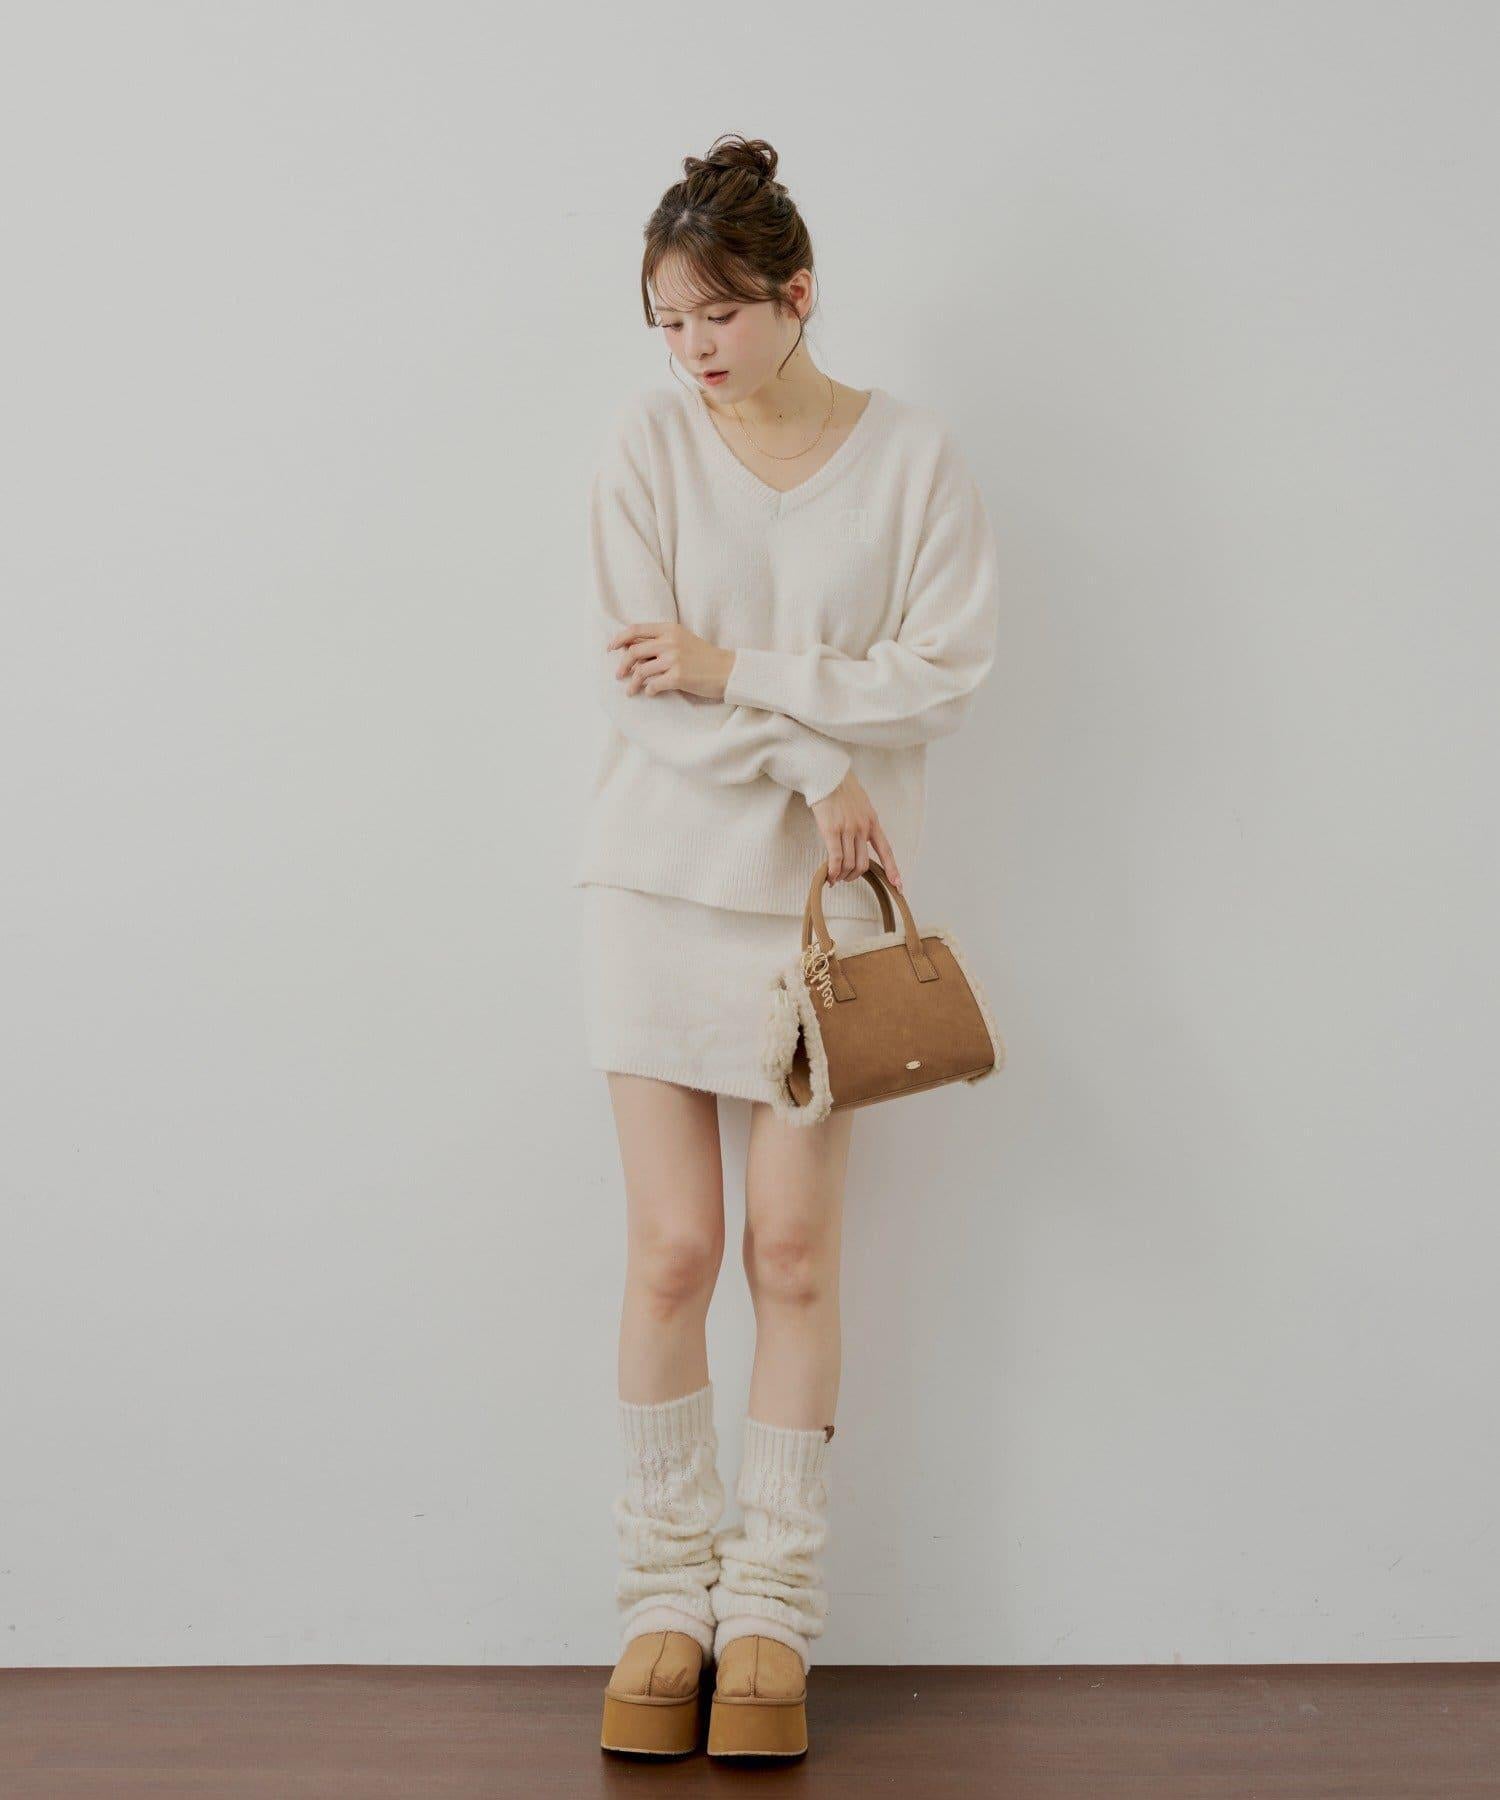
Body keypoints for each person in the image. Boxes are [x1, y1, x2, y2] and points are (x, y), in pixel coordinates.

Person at [574, 133, 1002, 1760]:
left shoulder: (910, 459)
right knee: (673, 1249)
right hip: (657, 885)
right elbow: (645, 686)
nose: (693, 347)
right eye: (670, 320)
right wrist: (816, 762)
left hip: (819, 929)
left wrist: (737, 667)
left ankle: (769, 1608)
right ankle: (661, 1600)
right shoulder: (644, 443)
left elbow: (941, 672)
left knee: (794, 1254)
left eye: (722, 314)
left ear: (798, 294)